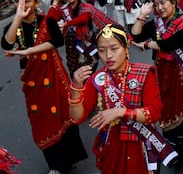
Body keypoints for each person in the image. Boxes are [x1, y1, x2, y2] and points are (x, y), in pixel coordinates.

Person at [1, 0, 87, 174]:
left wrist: (29, 50)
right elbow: (6, 43)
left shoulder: (45, 21)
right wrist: (17, 18)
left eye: (27, 1)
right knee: (42, 120)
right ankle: (55, 165)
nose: (21, 5)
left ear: (38, 3)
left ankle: (70, 157)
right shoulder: (15, 25)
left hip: (54, 76)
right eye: (18, 1)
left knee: (64, 114)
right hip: (34, 84)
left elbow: (57, 41)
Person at [68, 23, 176, 173]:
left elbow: (154, 113)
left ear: (126, 49)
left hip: (140, 143)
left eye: (114, 49)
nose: (108, 56)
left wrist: (120, 112)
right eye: (101, 50)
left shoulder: (144, 74)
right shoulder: (98, 78)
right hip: (111, 144)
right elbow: (77, 118)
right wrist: (76, 88)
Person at [130, 0, 183, 165]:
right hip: (163, 73)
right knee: (165, 108)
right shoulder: (156, 23)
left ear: (173, 4)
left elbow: (169, 44)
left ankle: (181, 147)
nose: (160, 8)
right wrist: (142, 15)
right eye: (157, 4)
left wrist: (146, 45)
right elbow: (135, 34)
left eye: (163, 3)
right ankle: (170, 145)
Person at [49, 0, 121, 78]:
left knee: (88, 74)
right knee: (75, 74)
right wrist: (55, 1)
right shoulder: (64, 9)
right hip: (72, 48)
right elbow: (50, 20)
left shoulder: (87, 8)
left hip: (88, 44)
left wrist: (67, 23)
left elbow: (83, 18)